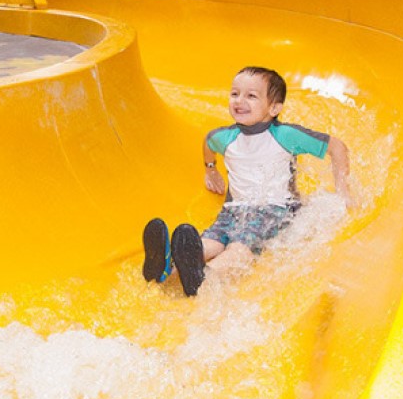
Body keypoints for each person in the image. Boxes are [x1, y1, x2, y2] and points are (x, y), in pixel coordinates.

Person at [142, 67, 352, 296]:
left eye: (251, 96)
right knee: (212, 240)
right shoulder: (223, 137)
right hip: (233, 209)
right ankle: (167, 269)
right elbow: (208, 144)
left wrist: (343, 191)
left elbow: (337, 147)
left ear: (274, 108)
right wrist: (211, 171)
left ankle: (205, 277)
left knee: (239, 247)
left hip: (274, 209)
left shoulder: (285, 135)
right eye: (235, 94)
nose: (239, 101)